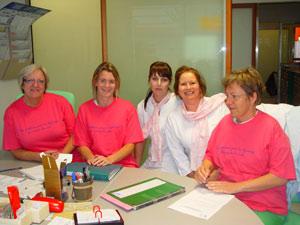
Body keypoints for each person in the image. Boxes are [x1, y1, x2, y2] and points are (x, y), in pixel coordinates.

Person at [195, 67, 296, 225]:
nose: (228, 102)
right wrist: (205, 168)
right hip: (225, 200)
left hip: (263, 206)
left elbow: (280, 177)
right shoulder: (224, 124)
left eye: (234, 97)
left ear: (253, 97)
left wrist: (235, 187)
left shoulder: (271, 129)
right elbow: (211, 156)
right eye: (227, 96)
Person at [74, 62, 143, 167]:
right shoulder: (84, 109)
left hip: (122, 165)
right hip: (93, 164)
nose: (107, 86)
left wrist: (109, 159)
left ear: (116, 85)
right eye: (102, 81)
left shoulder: (128, 108)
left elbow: (130, 145)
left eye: (111, 82)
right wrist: (93, 160)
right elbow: (81, 144)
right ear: (95, 82)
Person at [163, 66, 228, 177]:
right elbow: (177, 154)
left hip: (223, 170)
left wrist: (217, 173)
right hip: (195, 174)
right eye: (183, 84)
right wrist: (192, 175)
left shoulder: (219, 107)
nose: (188, 87)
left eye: (192, 83)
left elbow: (229, 141)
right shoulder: (173, 118)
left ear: (200, 86)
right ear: (177, 90)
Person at [2, 64, 75, 161]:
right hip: (33, 163)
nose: (35, 85)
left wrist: (61, 156)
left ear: (45, 86)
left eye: (40, 81)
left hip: (66, 158)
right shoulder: (11, 113)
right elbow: (15, 150)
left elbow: (76, 135)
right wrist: (40, 157)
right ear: (22, 84)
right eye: (30, 80)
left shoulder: (60, 102)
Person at [135, 61, 179, 169]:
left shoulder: (178, 102)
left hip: (175, 162)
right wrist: (136, 166)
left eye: (164, 80)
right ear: (149, 80)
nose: (159, 84)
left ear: (170, 82)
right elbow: (140, 139)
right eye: (154, 79)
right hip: (151, 162)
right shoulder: (143, 106)